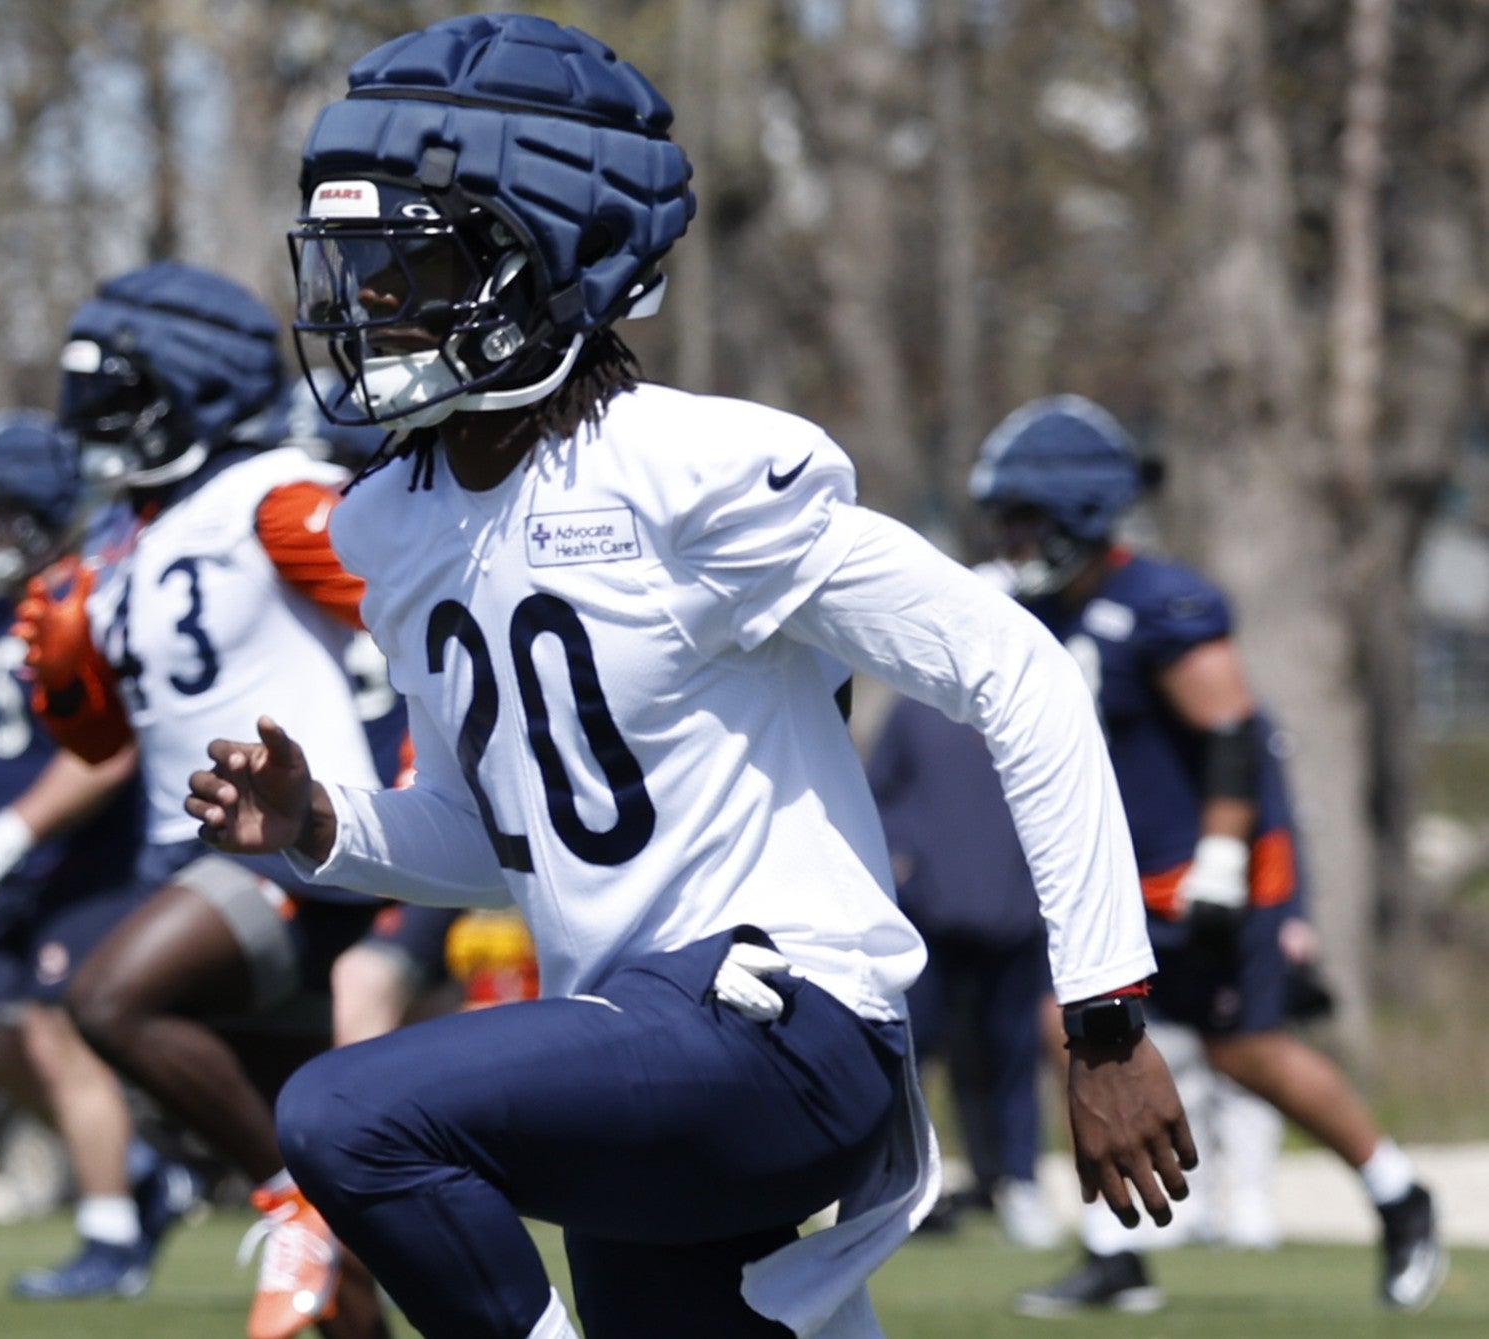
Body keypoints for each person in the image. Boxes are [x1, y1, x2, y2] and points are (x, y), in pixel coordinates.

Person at [185, 16, 1195, 1339]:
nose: (364, 304)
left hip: (781, 1023)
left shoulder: (690, 470)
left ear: (541, 265)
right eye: (354, 268)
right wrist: (328, 826)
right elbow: (504, 835)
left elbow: (1020, 671)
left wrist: (1105, 1019)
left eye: (407, 264)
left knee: (344, 1109)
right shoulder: (395, 522)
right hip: (632, 1040)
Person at [968, 395, 1446, 1314]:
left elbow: (1230, 736)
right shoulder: (1039, 612)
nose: (1010, 539)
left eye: (1023, 518)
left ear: (1075, 515)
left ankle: (1399, 1192)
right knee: (1065, 1028)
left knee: (1244, 1051)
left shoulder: (1160, 601)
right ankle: (1117, 1248)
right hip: (1124, 876)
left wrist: (1225, 861)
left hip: (1207, 868)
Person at [12, 261, 395, 1339]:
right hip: (187, 855)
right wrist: (67, 674)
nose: (97, 428)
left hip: (297, 844)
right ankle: (320, 1230)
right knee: (346, 1195)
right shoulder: (129, 539)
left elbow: (419, 621)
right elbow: (101, 739)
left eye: (120, 401)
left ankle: (287, 1207)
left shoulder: (273, 493)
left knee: (107, 1001)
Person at [0, 408, 197, 1299]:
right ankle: (149, 1174)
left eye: (3, 508)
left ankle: (109, 1239)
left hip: (90, 860)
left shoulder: (80, 600)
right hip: (16, 863)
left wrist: (12, 832)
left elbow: (109, 750)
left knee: (50, 1031)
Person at [864, 698, 1063, 1250]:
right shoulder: (913, 710)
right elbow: (877, 794)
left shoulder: (1028, 708)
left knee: (1012, 1057)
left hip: (1015, 920)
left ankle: (1018, 1182)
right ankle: (898, 1188)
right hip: (927, 918)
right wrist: (901, 860)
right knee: (911, 1049)